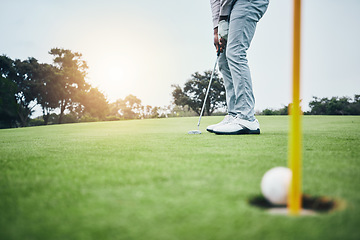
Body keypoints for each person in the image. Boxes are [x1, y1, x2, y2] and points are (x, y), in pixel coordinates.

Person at [207, 0, 269, 135]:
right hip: (228, 7)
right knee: (222, 57)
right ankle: (234, 114)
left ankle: (246, 117)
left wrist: (223, 18)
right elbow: (215, 2)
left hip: (247, 1)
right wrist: (216, 29)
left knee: (235, 51)